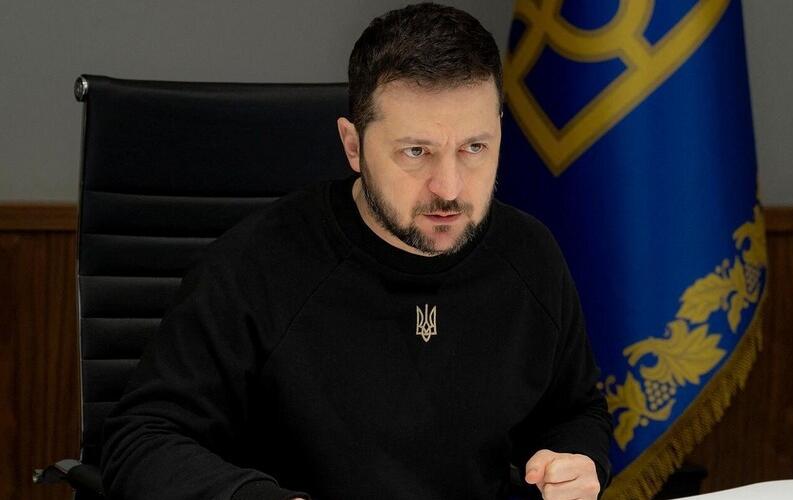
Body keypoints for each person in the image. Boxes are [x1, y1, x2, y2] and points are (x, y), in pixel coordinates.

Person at [100, 3, 612, 499]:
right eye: (416, 152)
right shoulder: (255, 264)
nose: (450, 188)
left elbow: (575, 411)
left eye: (474, 148)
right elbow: (140, 440)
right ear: (353, 145)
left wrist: (577, 460)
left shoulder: (530, 255)